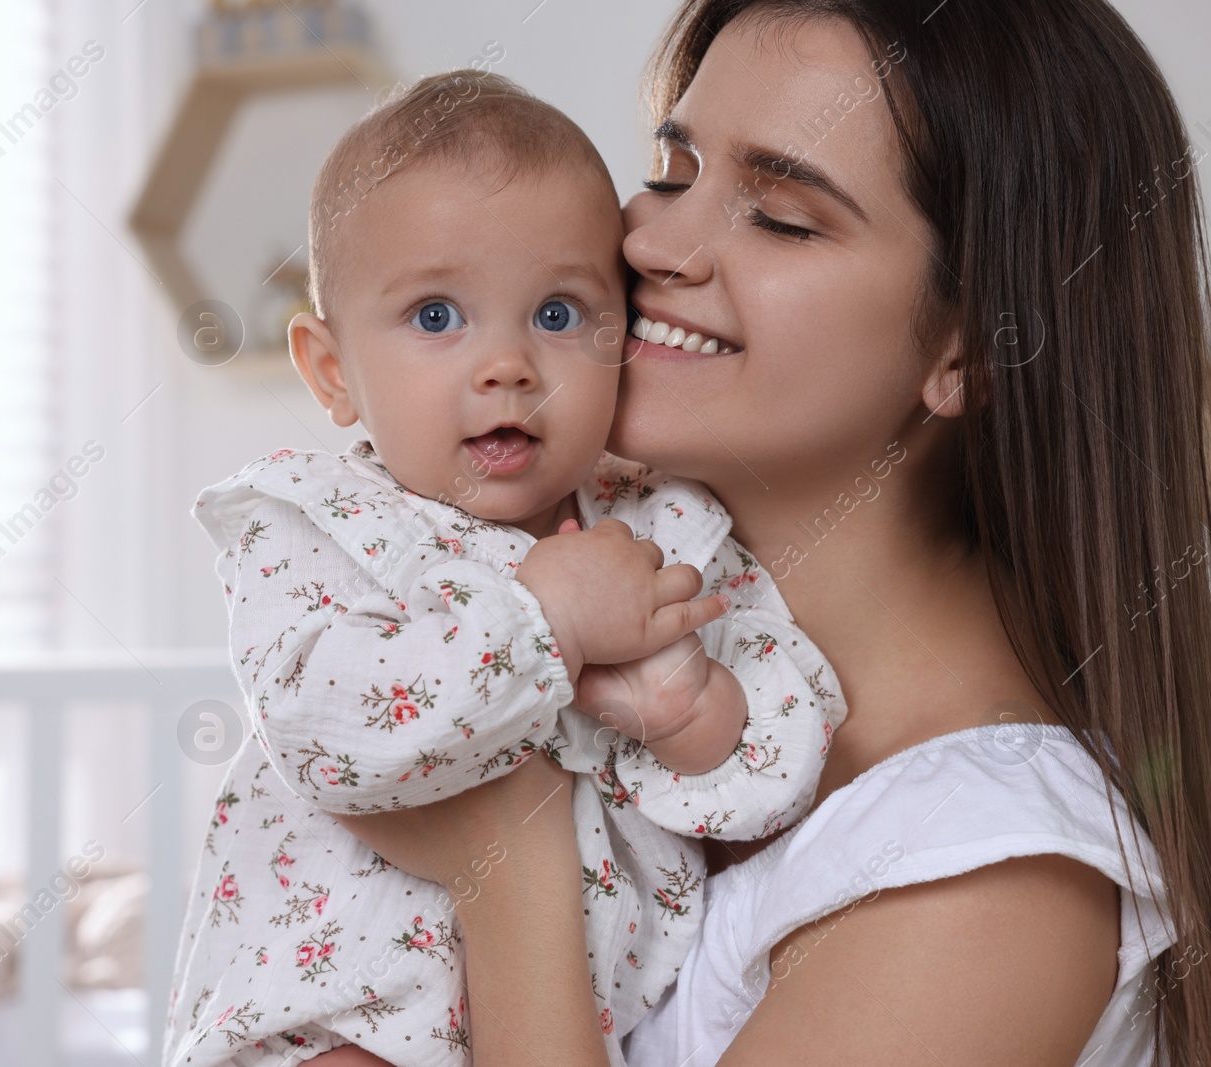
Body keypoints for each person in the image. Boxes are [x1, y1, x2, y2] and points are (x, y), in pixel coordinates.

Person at [331, 1, 1211, 1064]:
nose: (650, 242)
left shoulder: (986, 882)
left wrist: (504, 860)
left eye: (781, 217)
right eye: (669, 170)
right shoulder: (579, 628)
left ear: (968, 351)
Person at [163, 73, 847, 1066]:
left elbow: (782, 752)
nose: (508, 365)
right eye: (436, 316)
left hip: (568, 1017)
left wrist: (692, 709)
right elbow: (325, 735)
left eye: (560, 314)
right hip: (333, 1020)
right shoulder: (318, 524)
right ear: (331, 371)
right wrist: (543, 625)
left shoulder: (664, 532)